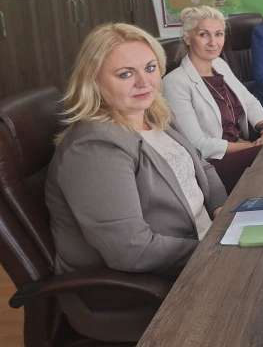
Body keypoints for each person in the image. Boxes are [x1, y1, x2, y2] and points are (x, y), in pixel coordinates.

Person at [46, 23, 227, 281]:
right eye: (125, 74)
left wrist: (220, 209)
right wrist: (216, 250)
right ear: (93, 80)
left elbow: (202, 166)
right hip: (152, 283)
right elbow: (132, 250)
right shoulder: (94, 148)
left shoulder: (155, 114)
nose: (144, 82)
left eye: (150, 68)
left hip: (201, 249)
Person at [163, 6, 263, 192]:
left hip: (243, 146)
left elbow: (249, 102)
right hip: (213, 163)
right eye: (203, 35)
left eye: (219, 34)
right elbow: (198, 144)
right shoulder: (175, 82)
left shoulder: (219, 65)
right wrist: (251, 146)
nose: (213, 42)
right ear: (188, 38)